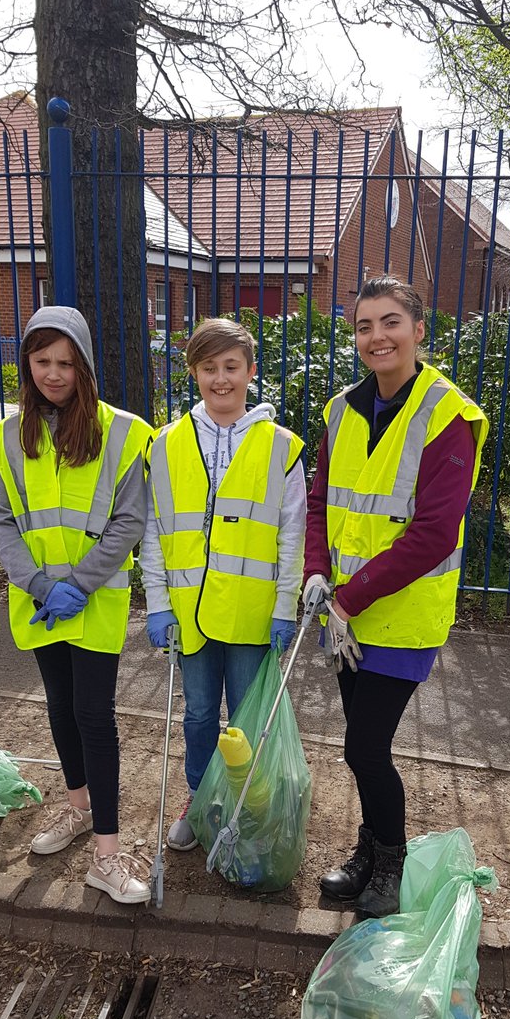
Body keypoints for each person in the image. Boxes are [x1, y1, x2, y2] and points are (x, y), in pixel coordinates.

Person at [304, 276, 488, 917]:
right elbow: (321, 500)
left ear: (417, 330)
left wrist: (350, 597)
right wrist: (315, 574)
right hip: (344, 610)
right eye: (363, 326)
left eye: (390, 323)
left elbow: (436, 532)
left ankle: (391, 862)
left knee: (364, 747)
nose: (375, 337)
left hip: (401, 616)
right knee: (361, 739)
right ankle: (369, 849)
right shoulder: (340, 410)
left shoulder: (448, 415)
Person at [0, 306, 154, 904]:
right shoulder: (8, 437)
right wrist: (38, 585)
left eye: (65, 363)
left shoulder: (124, 432)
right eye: (42, 361)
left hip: (93, 601)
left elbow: (129, 520)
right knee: (59, 708)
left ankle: (106, 856)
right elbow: (2, 520)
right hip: (38, 603)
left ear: (83, 365)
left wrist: (76, 585)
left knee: (93, 716)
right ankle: (78, 806)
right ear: (27, 364)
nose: (53, 374)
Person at [141, 317, 306, 851]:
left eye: (231, 367)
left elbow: (292, 535)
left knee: (247, 717)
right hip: (188, 612)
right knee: (198, 713)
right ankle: (198, 800)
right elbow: (154, 531)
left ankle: (246, 804)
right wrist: (156, 604)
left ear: (250, 371)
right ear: (193, 373)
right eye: (208, 368)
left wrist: (285, 607)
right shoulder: (164, 445)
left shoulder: (282, 447)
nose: (220, 379)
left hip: (251, 612)